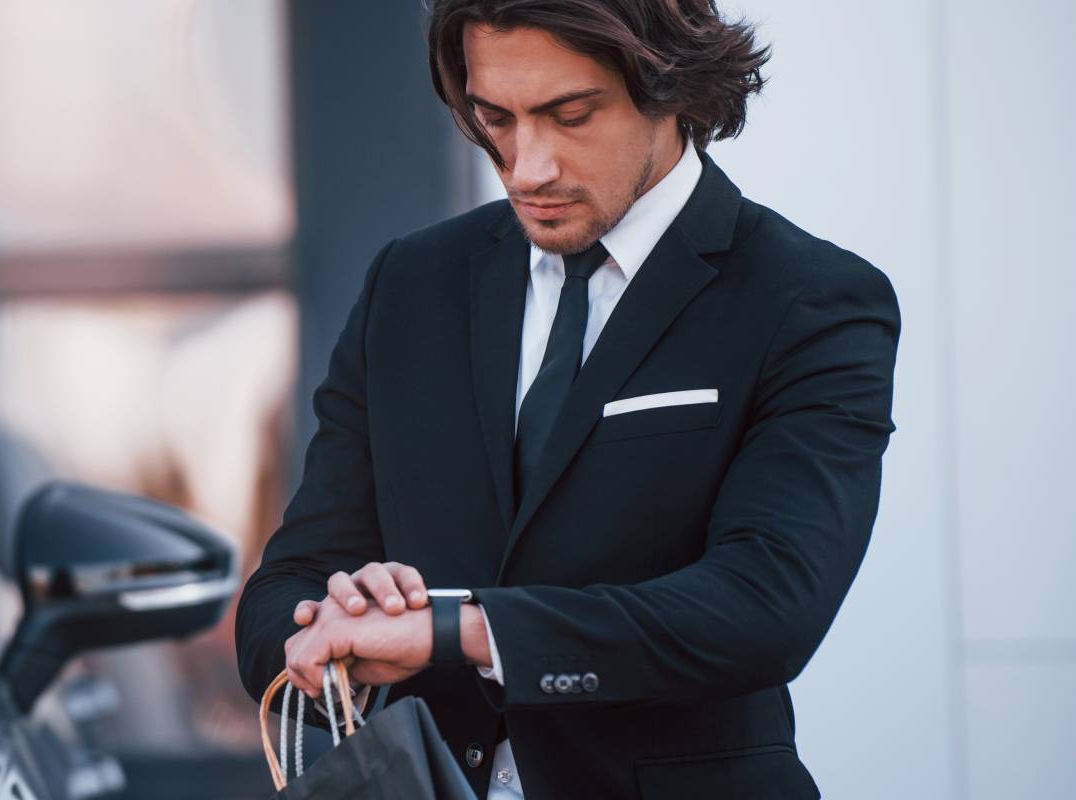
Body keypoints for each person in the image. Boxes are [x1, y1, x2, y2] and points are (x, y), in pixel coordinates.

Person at [234, 0, 901, 796]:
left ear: (674, 87)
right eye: (496, 120)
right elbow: (284, 593)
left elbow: (764, 605)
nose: (527, 167)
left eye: (569, 115)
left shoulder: (809, 298)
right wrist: (338, 626)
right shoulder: (411, 285)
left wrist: (456, 633)